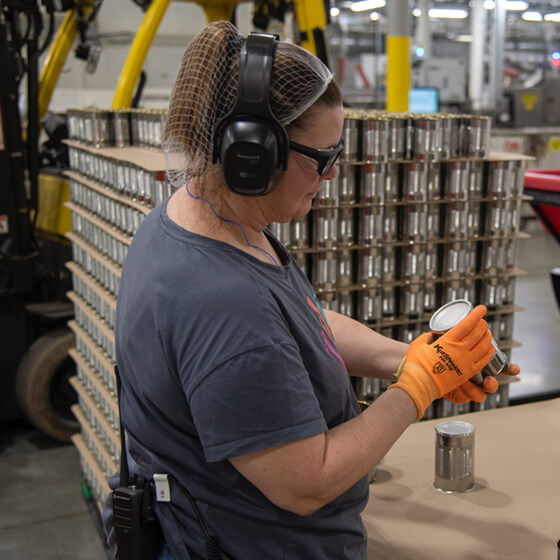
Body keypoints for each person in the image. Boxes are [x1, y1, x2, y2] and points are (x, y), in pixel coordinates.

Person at [106, 20, 519, 560]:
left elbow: (303, 324)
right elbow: (305, 481)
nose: (331, 177)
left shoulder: (207, 222)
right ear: (251, 155)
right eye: (321, 160)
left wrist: (416, 358)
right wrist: (416, 389)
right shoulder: (220, 299)